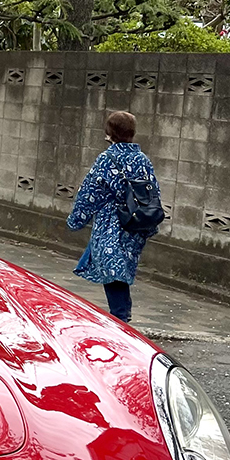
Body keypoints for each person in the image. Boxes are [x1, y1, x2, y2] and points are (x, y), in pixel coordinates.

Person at [67, 110, 160, 324]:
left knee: (114, 269)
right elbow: (153, 191)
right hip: (136, 224)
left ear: (110, 132)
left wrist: (76, 221)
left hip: (112, 223)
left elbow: (89, 192)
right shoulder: (142, 159)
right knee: (120, 268)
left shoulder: (107, 159)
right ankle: (121, 316)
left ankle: (121, 320)